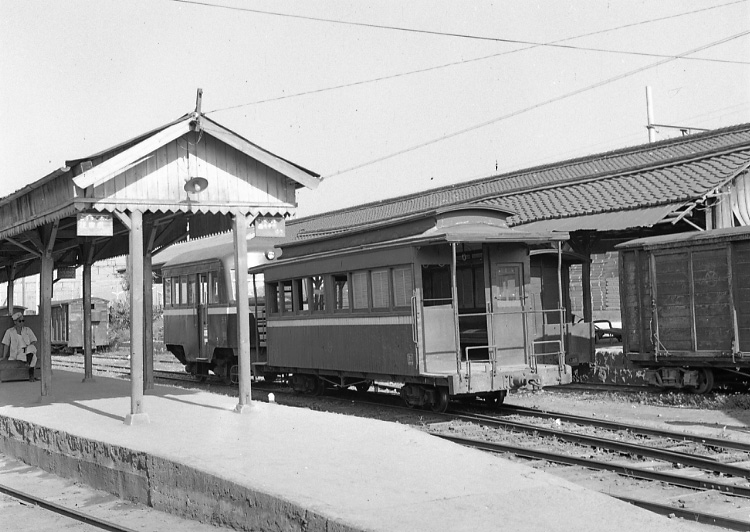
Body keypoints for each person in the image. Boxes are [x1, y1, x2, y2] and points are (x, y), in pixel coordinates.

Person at [1, 312, 38, 382]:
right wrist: (3, 356)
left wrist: (28, 346)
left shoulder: (27, 330)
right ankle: (31, 373)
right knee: (34, 357)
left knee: (32, 348)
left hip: (28, 350)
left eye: (23, 321)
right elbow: (6, 344)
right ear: (15, 322)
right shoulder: (9, 332)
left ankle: (28, 363)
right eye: (20, 321)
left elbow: (34, 340)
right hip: (18, 353)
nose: (22, 323)